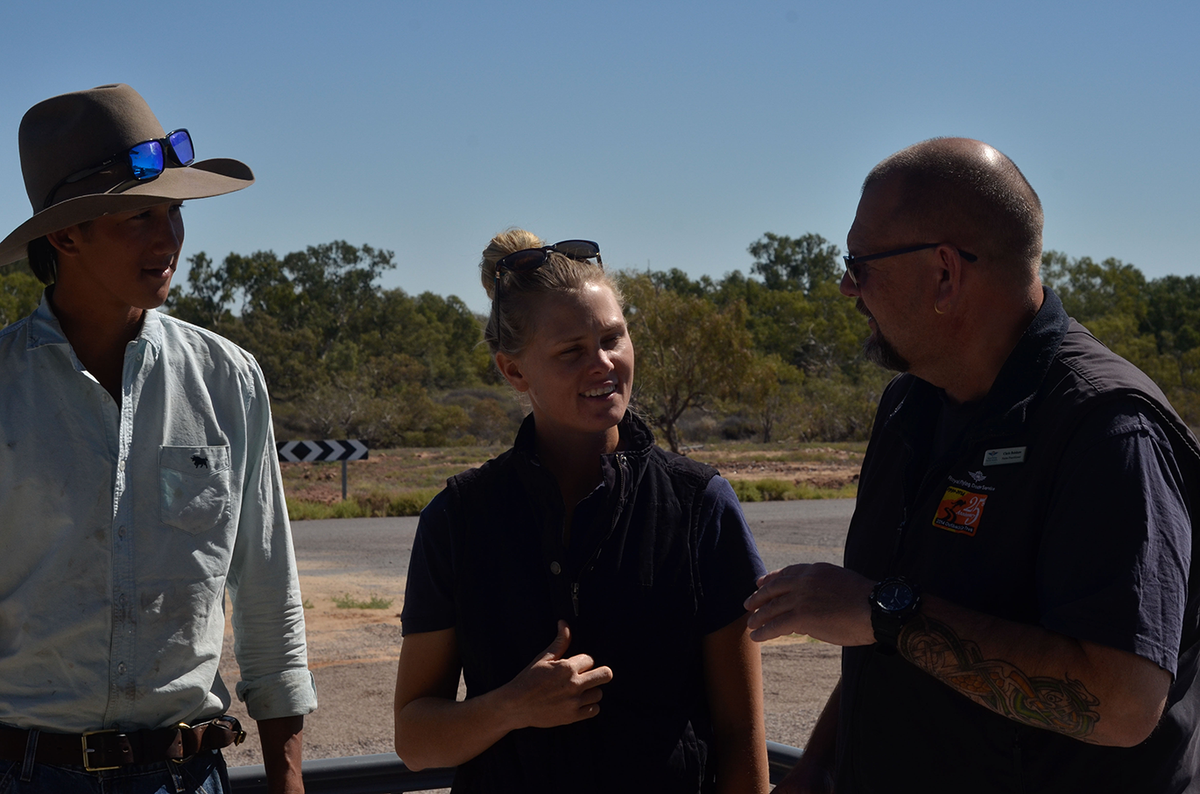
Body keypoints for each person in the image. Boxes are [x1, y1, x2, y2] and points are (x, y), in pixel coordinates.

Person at [745, 138, 1200, 793]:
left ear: (944, 273)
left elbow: (1124, 704)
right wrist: (816, 768)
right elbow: (890, 644)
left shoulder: (1107, 429)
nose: (848, 288)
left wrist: (885, 613)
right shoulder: (911, 405)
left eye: (860, 265)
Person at [0, 84, 317, 794]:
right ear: (66, 235)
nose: (168, 238)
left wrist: (288, 780)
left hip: (186, 776)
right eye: (139, 215)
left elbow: (268, 593)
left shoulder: (227, 379)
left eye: (174, 212)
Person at [393, 230, 770, 793]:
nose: (603, 364)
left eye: (613, 338)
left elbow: (741, 734)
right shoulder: (458, 518)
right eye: (571, 351)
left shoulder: (699, 504)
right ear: (513, 371)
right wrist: (511, 706)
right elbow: (415, 740)